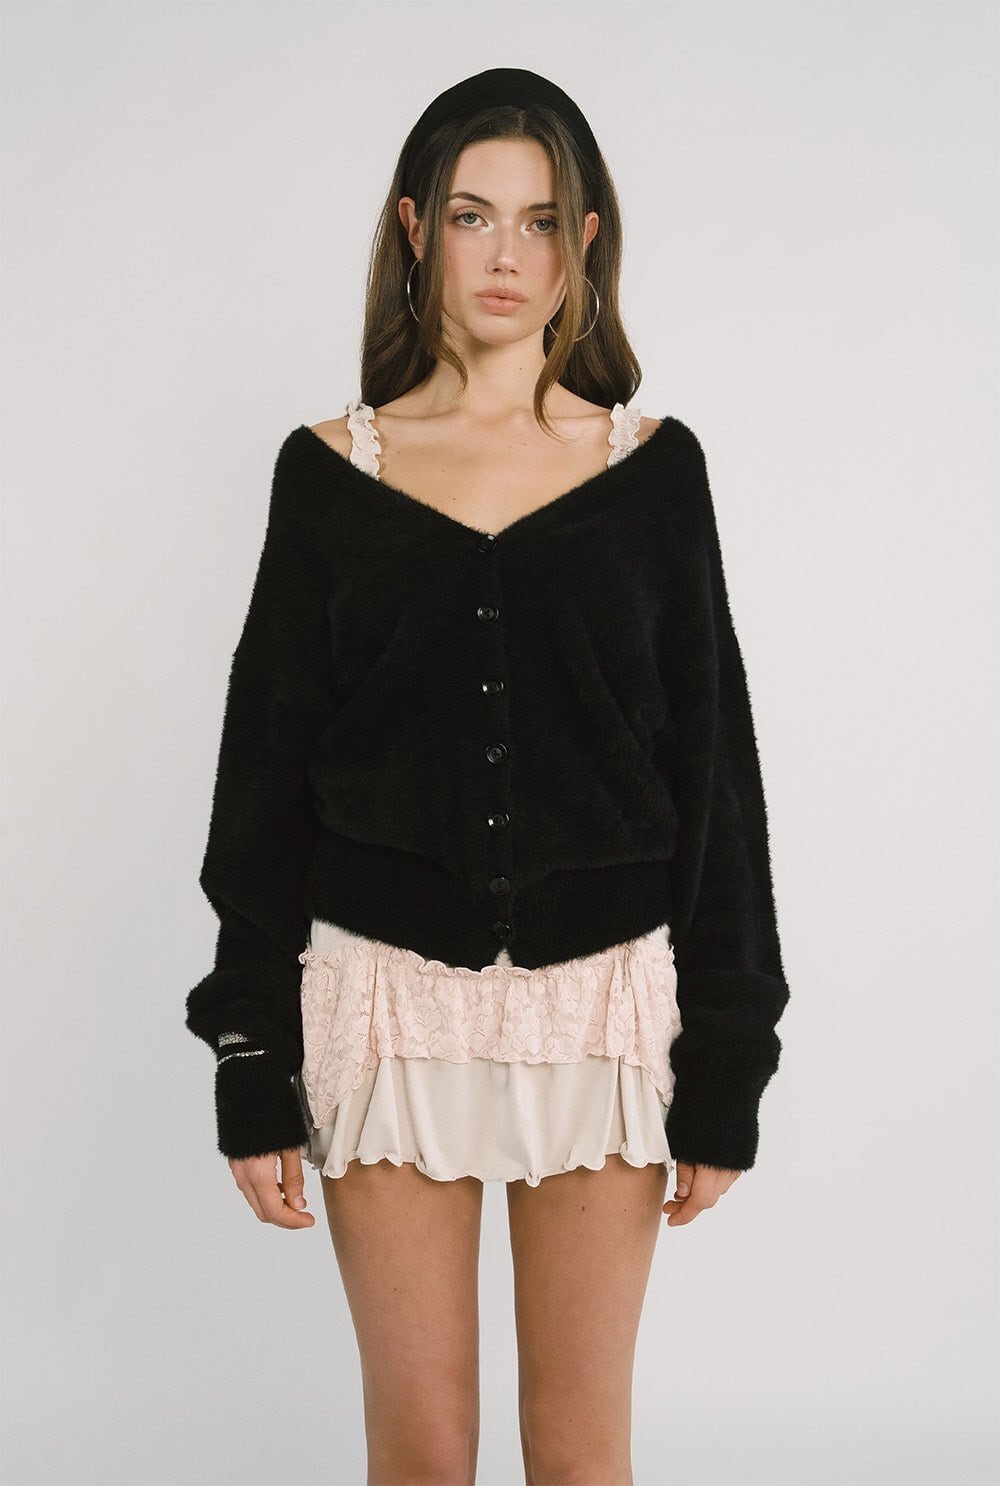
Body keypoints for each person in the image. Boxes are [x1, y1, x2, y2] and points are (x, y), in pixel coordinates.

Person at [186, 67, 790, 1484]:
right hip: (386, 1009)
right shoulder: (330, 474)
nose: (504, 254)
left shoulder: (654, 474)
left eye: (539, 219)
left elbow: (717, 778)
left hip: (600, 1014)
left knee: (579, 1455)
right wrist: (251, 1057)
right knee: (422, 1454)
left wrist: (728, 1063)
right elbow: (262, 782)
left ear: (585, 242)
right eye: (471, 216)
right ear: (416, 230)